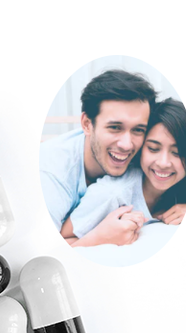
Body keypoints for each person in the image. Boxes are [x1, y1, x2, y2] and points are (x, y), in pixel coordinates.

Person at [59, 98, 186, 246]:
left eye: (177, 153)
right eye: (153, 149)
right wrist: (101, 238)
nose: (163, 163)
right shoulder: (111, 194)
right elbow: (62, 242)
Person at [40, 69, 157, 231]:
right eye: (115, 127)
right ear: (87, 124)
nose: (127, 145)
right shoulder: (52, 172)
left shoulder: (146, 156)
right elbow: (44, 243)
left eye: (138, 130)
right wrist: (101, 236)